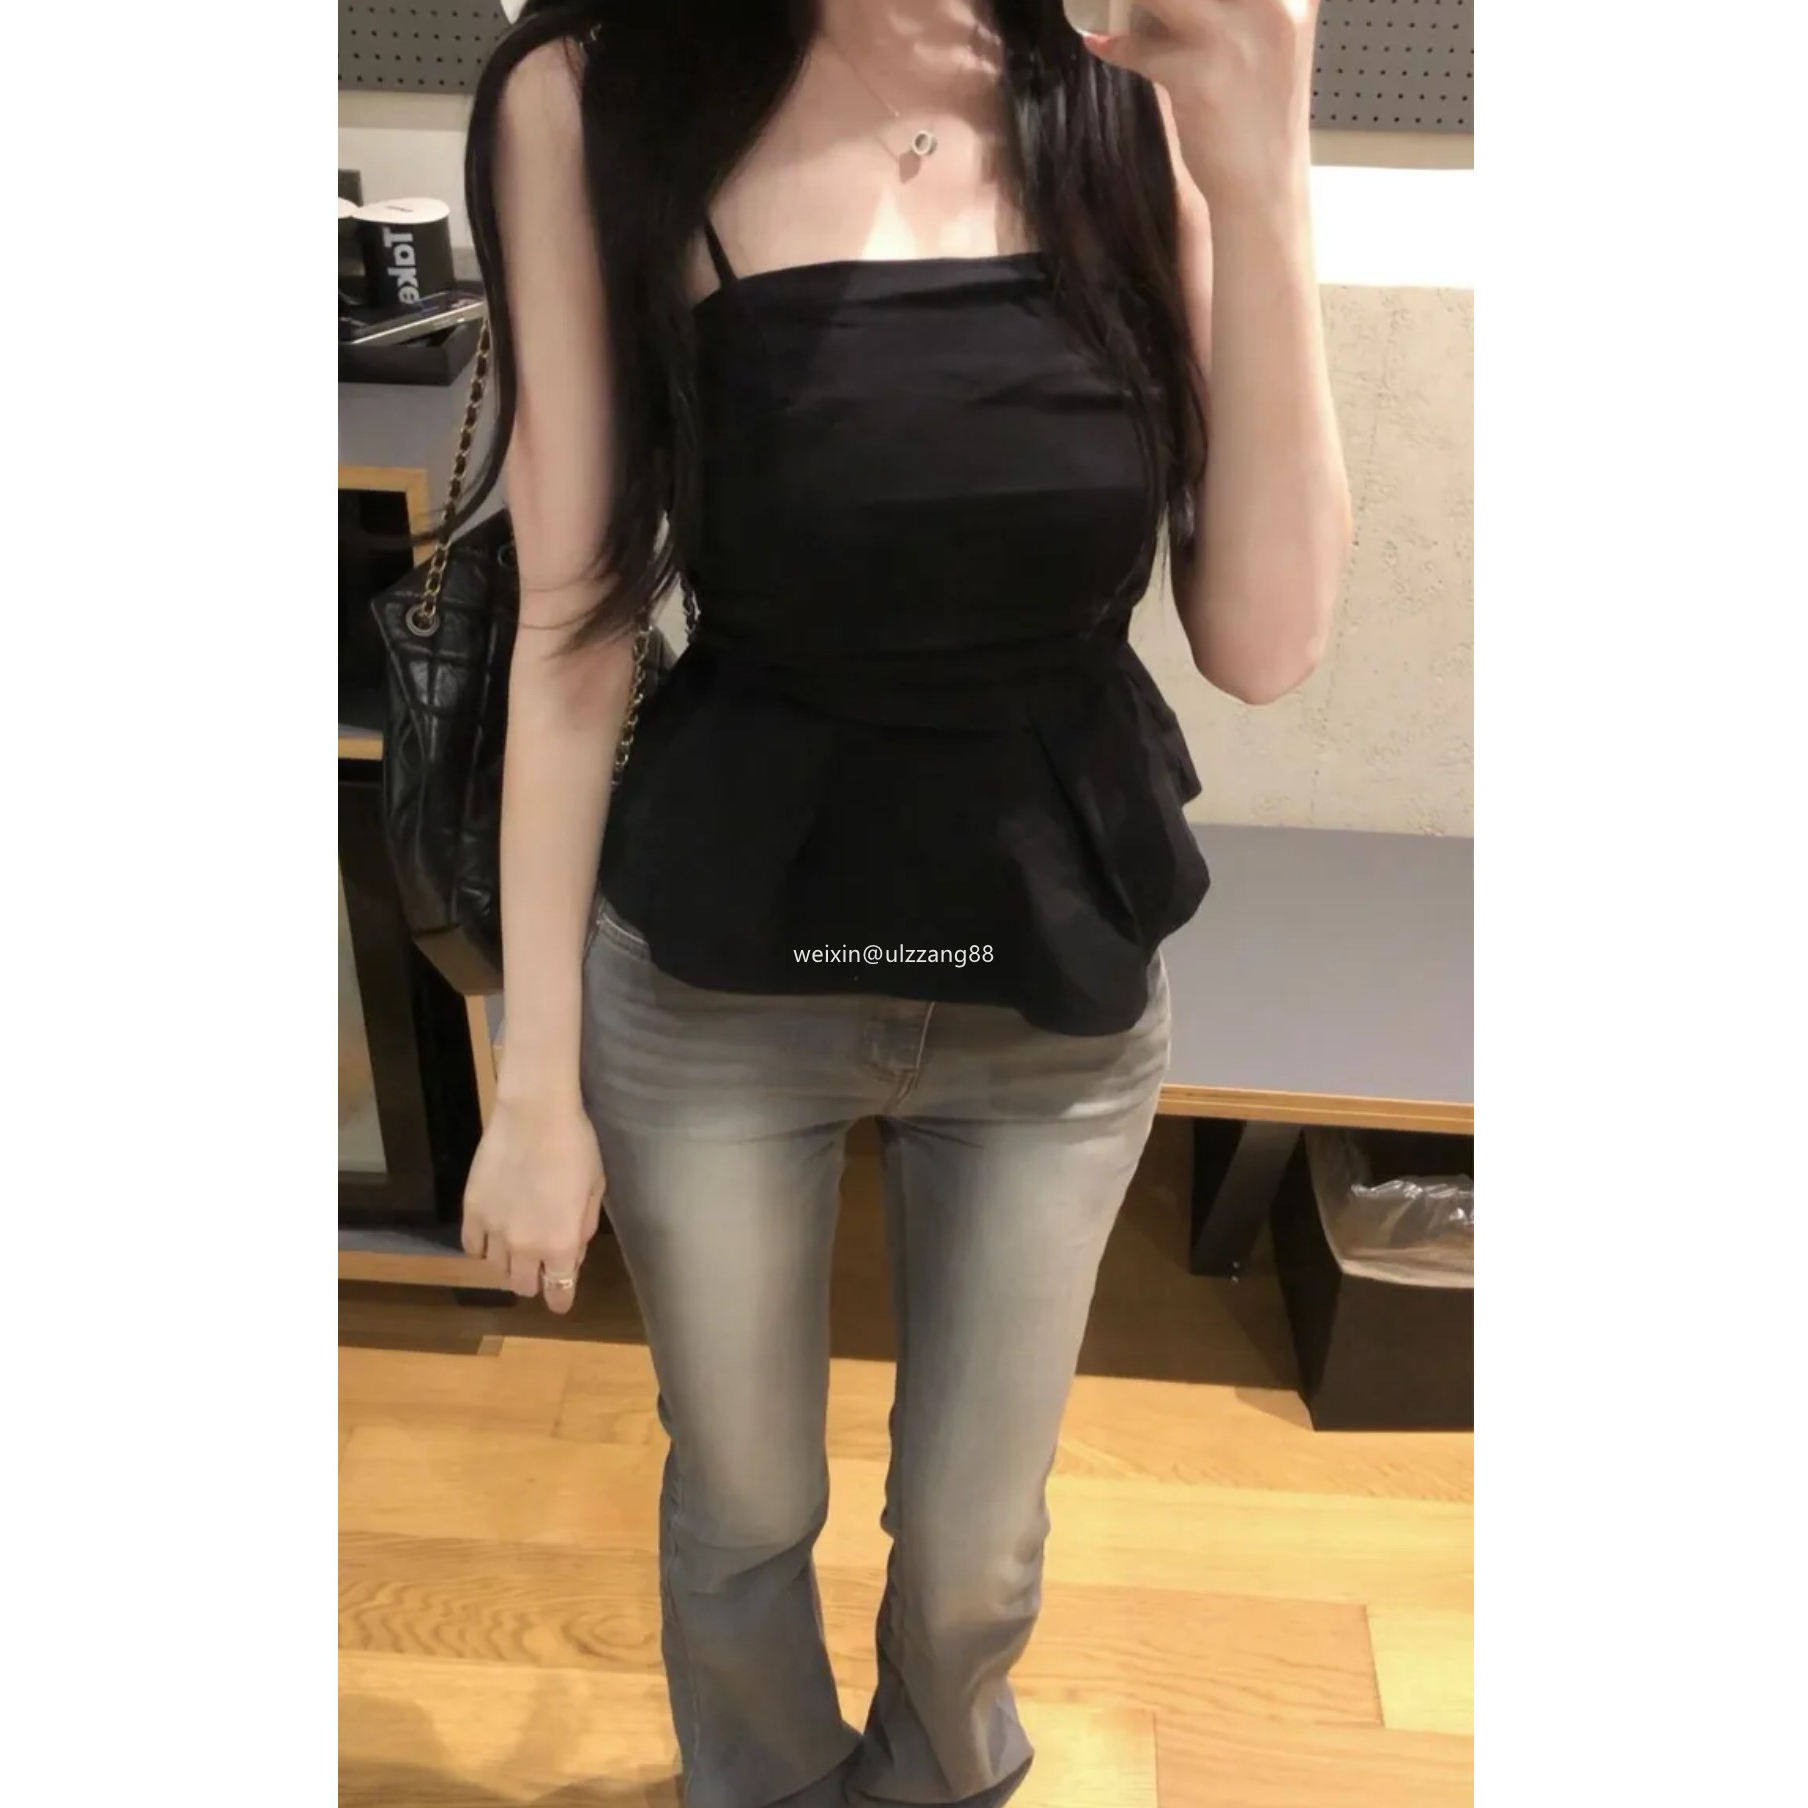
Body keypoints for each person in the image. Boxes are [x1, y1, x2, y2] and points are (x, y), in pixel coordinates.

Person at [451, 3, 1350, 1803]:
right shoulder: (599, 92)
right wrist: (532, 1087)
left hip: (1051, 972)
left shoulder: (1132, 87)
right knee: (742, 1505)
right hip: (717, 973)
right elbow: (569, 625)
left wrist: (1263, 171)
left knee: (970, 1556)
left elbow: (1263, 641)